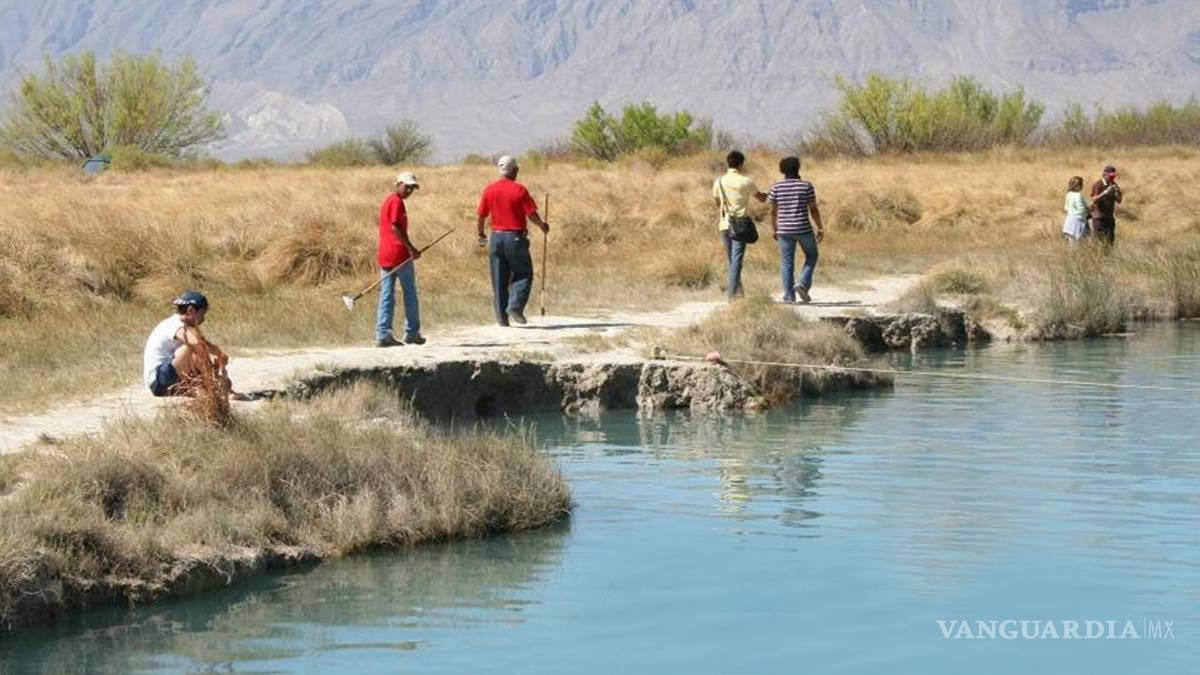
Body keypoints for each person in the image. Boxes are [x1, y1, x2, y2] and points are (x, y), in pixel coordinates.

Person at [476, 155, 549, 326]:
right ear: (515, 170)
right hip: (515, 237)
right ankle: (515, 307)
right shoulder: (519, 190)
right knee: (524, 273)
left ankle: (502, 319)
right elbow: (531, 214)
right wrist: (542, 226)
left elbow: (481, 215)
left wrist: (481, 234)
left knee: (499, 278)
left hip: (496, 237)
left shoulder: (489, 190)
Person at [142, 290, 242, 399]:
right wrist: (212, 373)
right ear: (191, 310)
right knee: (193, 347)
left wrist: (218, 354)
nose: (203, 319)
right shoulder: (174, 324)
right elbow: (196, 343)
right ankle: (211, 386)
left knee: (224, 383)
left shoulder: (183, 326)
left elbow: (202, 344)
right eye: (202, 314)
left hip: (170, 379)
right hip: (159, 381)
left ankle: (210, 390)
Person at [376, 171, 425, 347]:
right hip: (399, 254)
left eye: (412, 188)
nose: (409, 190)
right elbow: (396, 228)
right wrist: (411, 249)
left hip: (385, 254)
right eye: (407, 186)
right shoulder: (396, 202)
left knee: (387, 294)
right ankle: (412, 332)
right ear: (398, 184)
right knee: (410, 294)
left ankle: (383, 333)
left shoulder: (389, 201)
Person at [768, 156, 824, 303]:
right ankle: (803, 284)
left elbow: (773, 211)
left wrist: (774, 228)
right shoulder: (806, 186)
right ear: (798, 168)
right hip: (803, 228)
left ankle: (789, 296)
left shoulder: (777, 187)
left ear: (782, 170)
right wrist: (820, 227)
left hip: (784, 230)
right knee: (812, 256)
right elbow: (813, 209)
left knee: (787, 262)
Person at [712, 150, 766, 300]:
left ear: (728, 163)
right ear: (741, 164)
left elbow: (717, 203)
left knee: (732, 260)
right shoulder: (746, 181)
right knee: (737, 260)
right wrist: (768, 194)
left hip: (724, 224)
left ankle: (738, 292)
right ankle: (732, 295)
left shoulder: (719, 182)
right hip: (740, 224)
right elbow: (761, 198)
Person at [1089, 164, 1123, 246]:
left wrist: (1116, 194)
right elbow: (1094, 200)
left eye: (1114, 176)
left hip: (1109, 217)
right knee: (1098, 242)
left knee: (1110, 242)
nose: (1112, 178)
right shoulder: (1098, 184)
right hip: (1099, 218)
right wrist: (1105, 193)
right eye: (1110, 176)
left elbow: (1119, 201)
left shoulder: (1114, 184)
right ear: (1104, 175)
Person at [1062, 176, 1088, 245]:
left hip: (1069, 221)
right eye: (1081, 184)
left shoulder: (1069, 194)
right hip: (1077, 222)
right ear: (1078, 186)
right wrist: (1089, 209)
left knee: (1071, 244)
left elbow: (1066, 208)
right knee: (1079, 244)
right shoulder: (1078, 195)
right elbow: (1081, 210)